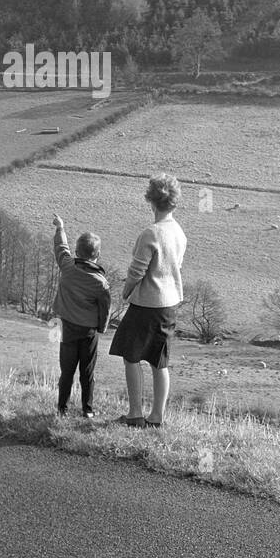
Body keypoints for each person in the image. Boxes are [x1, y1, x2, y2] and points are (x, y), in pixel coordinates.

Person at [109, 173, 186, 428]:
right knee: (158, 360)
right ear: (174, 202)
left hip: (146, 304)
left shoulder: (151, 233)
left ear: (151, 201)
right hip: (170, 304)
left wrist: (126, 291)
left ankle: (134, 414)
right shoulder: (179, 232)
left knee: (131, 356)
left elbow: (137, 271)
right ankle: (157, 417)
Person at [50, 213, 110, 419]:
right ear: (97, 255)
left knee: (66, 372)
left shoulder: (67, 266)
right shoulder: (100, 283)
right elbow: (105, 308)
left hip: (65, 327)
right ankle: (88, 410)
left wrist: (60, 228)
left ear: (77, 251)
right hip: (88, 332)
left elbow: (60, 248)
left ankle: (62, 410)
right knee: (87, 372)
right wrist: (101, 328)